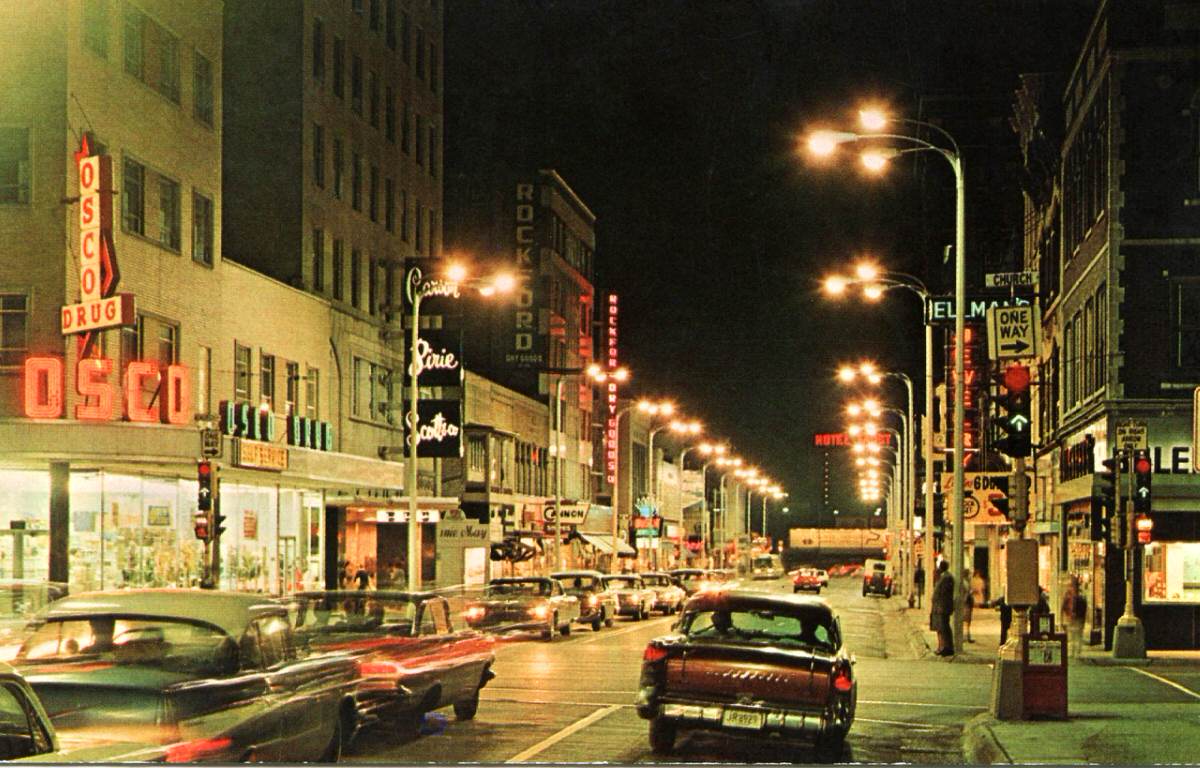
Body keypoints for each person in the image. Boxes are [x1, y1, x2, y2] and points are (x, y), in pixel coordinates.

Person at [931, 560, 955, 657]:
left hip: (943, 607)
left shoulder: (947, 577)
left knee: (944, 627)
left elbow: (944, 594)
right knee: (940, 627)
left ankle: (947, 647)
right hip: (939, 606)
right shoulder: (943, 577)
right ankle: (942, 646)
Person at [1061, 577, 1087, 658]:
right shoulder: (1070, 596)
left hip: (1076, 619)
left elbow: (1063, 607)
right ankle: (1074, 652)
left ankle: (1075, 652)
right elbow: (1063, 607)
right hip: (1073, 619)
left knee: (1075, 636)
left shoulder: (1074, 596)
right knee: (1074, 636)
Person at [961, 569, 975, 643]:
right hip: (964, 603)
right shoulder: (963, 582)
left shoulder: (967, 582)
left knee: (968, 621)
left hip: (968, 603)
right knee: (964, 620)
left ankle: (967, 636)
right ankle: (964, 636)